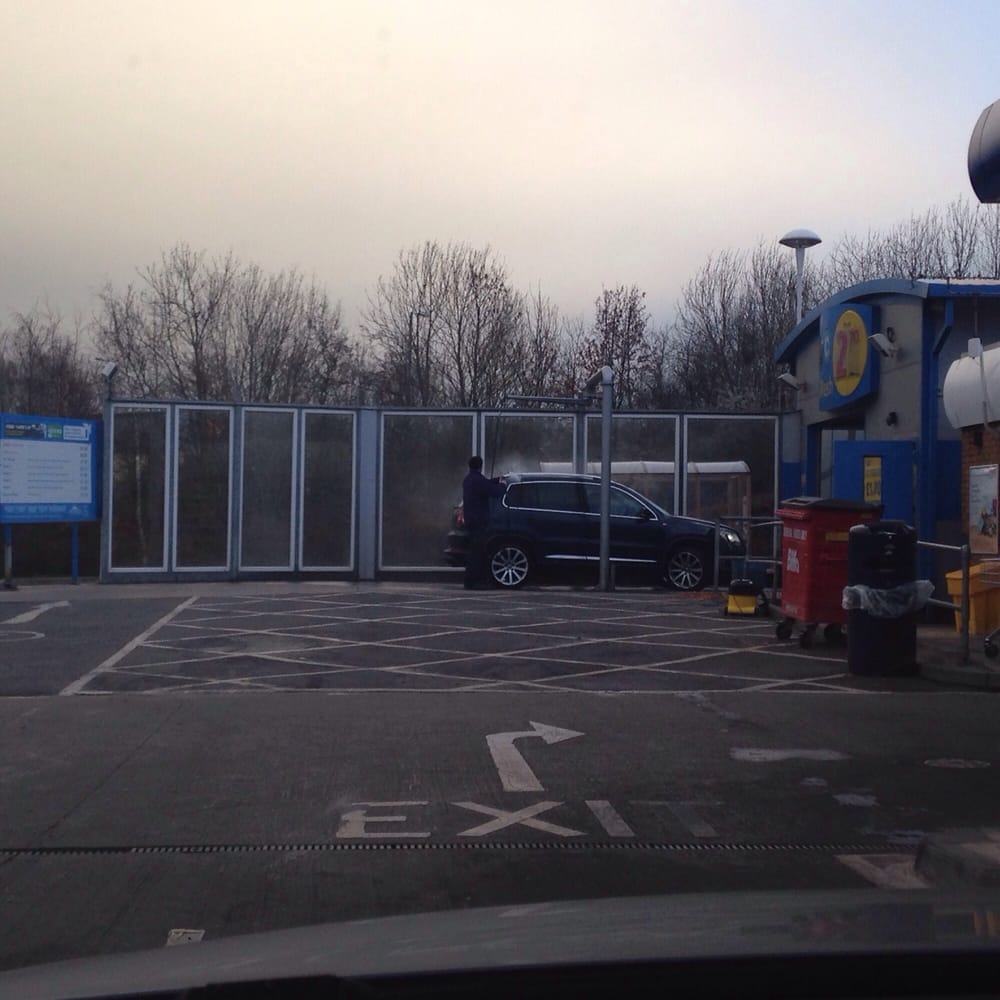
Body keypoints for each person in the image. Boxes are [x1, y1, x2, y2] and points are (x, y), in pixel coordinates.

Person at [462, 456, 506, 589]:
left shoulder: (468, 479)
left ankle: (471, 581)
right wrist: (503, 485)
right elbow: (495, 492)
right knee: (478, 552)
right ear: (481, 466)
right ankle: (475, 582)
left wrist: (496, 479)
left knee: (474, 551)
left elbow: (485, 484)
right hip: (479, 521)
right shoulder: (479, 481)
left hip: (470, 519)